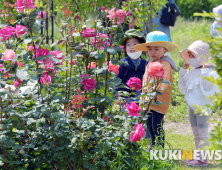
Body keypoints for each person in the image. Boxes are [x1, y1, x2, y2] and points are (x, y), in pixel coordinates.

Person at [178, 40, 220, 166]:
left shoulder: (210, 72)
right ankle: (198, 155)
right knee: (196, 134)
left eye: (193, 56)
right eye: (189, 56)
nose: (191, 59)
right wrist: (184, 71)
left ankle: (203, 159)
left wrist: (205, 70)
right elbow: (183, 86)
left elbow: (207, 87)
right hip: (192, 108)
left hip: (202, 109)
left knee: (203, 134)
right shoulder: (192, 71)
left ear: (202, 57)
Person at [134, 31, 178, 150]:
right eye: (150, 49)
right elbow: (145, 81)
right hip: (148, 102)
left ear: (165, 49)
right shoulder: (150, 64)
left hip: (158, 101)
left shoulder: (165, 64)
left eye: (156, 49)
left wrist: (155, 94)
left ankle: (159, 148)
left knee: (156, 125)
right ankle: (153, 146)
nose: (152, 52)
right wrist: (143, 98)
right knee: (149, 124)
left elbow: (165, 81)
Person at [116, 29, 151, 138]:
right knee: (127, 118)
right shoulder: (122, 63)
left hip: (141, 97)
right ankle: (128, 136)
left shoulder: (146, 64)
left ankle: (141, 136)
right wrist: (119, 96)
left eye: (135, 44)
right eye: (128, 45)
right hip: (126, 97)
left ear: (142, 47)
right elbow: (117, 80)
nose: (132, 47)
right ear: (125, 49)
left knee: (142, 118)